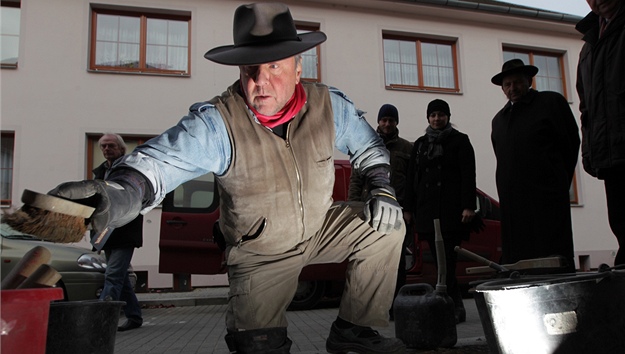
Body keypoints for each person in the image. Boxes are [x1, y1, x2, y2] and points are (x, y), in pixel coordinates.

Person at [49, 3, 406, 354]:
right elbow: (160, 162)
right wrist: (123, 192)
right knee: (258, 345)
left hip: (320, 228)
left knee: (387, 225)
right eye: (250, 69)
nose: (260, 82)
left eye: (274, 67)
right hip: (260, 252)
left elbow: (369, 147)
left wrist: (381, 187)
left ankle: (355, 329)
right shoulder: (217, 123)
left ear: (299, 69)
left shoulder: (330, 106)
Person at [490, 59, 580, 271]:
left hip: (546, 197)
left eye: (518, 82)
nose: (513, 88)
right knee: (520, 261)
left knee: (551, 255)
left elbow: (569, 144)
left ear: (529, 81)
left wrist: (556, 179)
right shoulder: (499, 120)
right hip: (513, 203)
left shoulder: (550, 103)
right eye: (508, 85)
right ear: (503, 88)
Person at [403, 99, 477, 324]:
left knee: (448, 261)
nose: (437, 119)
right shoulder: (420, 144)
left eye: (441, 115)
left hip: (450, 211)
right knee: (438, 261)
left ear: (448, 117)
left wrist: (468, 205)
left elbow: (468, 174)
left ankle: (453, 305)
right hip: (427, 211)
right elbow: (412, 178)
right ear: (428, 118)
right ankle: (449, 304)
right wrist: (408, 208)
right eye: (433, 115)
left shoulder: (460, 141)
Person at [576, 0, 625, 266]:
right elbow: (587, 109)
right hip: (612, 156)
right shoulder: (588, 47)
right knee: (622, 226)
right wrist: (589, 152)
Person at [347, 103, 412, 320]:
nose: (386, 124)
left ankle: (396, 306)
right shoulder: (365, 145)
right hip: (369, 212)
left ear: (396, 122)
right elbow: (356, 180)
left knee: (396, 262)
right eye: (383, 120)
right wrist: (353, 208)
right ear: (378, 121)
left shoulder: (407, 149)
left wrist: (409, 210)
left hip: (398, 213)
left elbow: (412, 182)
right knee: (370, 262)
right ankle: (371, 307)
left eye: (390, 120)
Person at [93, 133, 144, 332]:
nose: (106, 149)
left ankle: (101, 320)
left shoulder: (130, 169)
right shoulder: (100, 172)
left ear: (121, 149)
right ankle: (134, 316)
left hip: (125, 230)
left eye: (111, 146)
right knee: (120, 279)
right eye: (103, 146)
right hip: (106, 233)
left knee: (112, 275)